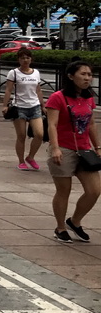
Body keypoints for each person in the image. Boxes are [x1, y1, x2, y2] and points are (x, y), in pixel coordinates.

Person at [45, 60, 101, 243]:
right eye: (83, 74)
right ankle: (60, 227)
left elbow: (91, 124)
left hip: (84, 150)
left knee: (95, 190)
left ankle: (74, 221)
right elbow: (52, 125)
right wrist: (55, 148)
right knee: (64, 191)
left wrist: (97, 147)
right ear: (70, 76)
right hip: (64, 149)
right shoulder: (57, 97)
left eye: (89, 75)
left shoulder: (88, 98)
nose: (87, 78)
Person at [2, 47, 46, 171]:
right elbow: (8, 90)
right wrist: (5, 105)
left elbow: (38, 90)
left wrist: (43, 105)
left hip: (34, 106)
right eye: (22, 58)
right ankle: (21, 161)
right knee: (21, 135)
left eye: (27, 58)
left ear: (31, 59)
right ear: (18, 60)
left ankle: (30, 157)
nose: (25, 60)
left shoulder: (36, 72)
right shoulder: (14, 73)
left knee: (39, 134)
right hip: (19, 107)